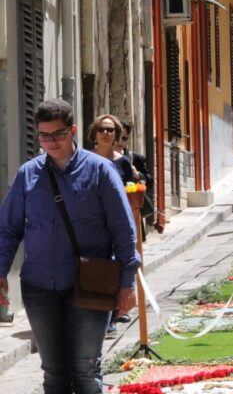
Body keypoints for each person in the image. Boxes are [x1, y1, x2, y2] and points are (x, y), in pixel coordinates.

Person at [0, 99, 140, 394]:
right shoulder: (29, 174)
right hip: (39, 288)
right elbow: (8, 229)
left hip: (91, 284)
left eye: (58, 134)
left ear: (73, 130)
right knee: (54, 373)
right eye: (44, 136)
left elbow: (123, 230)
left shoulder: (101, 171)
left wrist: (127, 283)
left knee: (86, 370)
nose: (51, 142)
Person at [87, 114, 135, 334]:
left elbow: (130, 190)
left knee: (116, 269)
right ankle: (102, 314)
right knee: (100, 268)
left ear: (116, 134)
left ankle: (113, 315)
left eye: (110, 130)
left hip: (117, 222)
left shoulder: (123, 162)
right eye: (102, 129)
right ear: (94, 133)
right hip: (95, 222)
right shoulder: (86, 160)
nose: (105, 133)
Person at [115, 121, 154, 242]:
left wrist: (138, 176)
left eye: (125, 138)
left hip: (131, 213)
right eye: (118, 137)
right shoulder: (101, 158)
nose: (121, 142)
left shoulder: (134, 158)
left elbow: (148, 183)